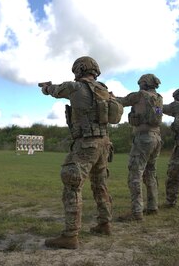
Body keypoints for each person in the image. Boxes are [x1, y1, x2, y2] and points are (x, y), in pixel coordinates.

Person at [40, 56, 115, 249]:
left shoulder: (75, 87)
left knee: (72, 184)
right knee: (100, 184)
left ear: (79, 70)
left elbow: (54, 91)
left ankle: (70, 235)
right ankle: (104, 224)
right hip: (104, 143)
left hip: (86, 144)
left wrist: (47, 87)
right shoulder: (104, 90)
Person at [115, 74, 163, 221]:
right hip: (156, 138)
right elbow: (157, 116)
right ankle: (153, 207)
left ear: (143, 83)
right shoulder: (159, 98)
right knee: (150, 173)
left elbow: (121, 101)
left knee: (135, 173)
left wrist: (110, 97)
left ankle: (137, 212)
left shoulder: (139, 95)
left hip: (143, 138)